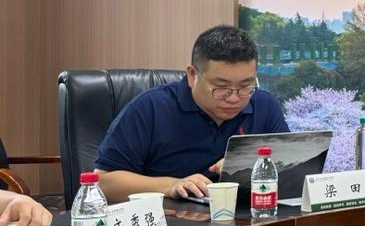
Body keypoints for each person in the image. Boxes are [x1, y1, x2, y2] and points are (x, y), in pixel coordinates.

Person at [95, 25, 289, 202]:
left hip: (247, 220)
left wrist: (251, 165)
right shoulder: (150, 108)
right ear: (192, 75)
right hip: (174, 222)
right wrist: (171, 185)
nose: (233, 98)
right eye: (221, 87)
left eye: (245, 86)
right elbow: (103, 183)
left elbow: (293, 166)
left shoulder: (264, 105)